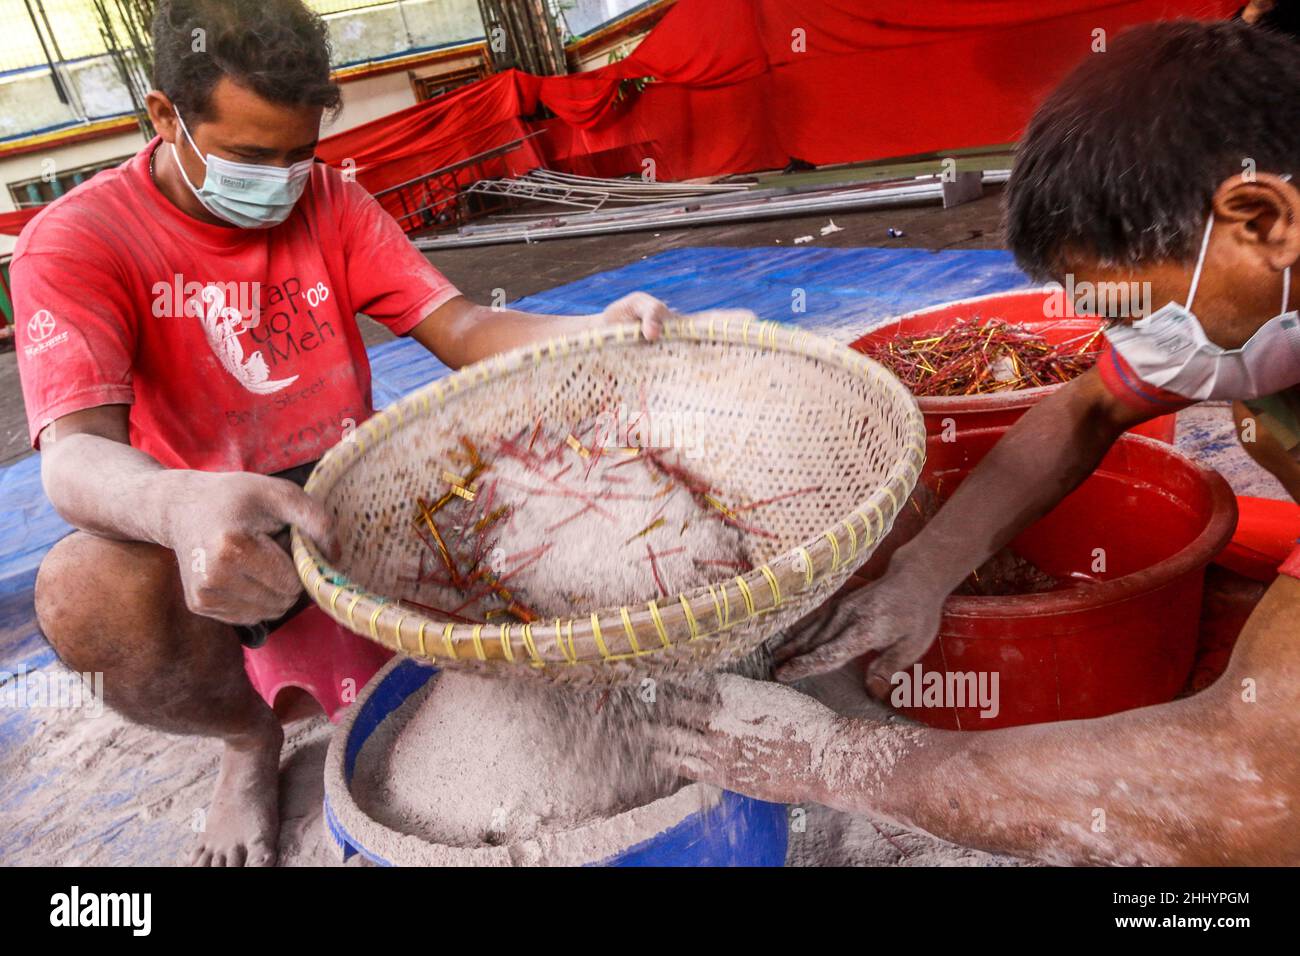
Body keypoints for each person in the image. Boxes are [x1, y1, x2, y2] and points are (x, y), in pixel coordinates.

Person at [15, 0, 679, 867]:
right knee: (82, 593)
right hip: (212, 531)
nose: (283, 182)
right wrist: (177, 503)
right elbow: (73, 455)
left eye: (301, 154)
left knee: (559, 447)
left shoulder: (329, 199)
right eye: (253, 158)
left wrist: (597, 328)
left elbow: (466, 330)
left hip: (353, 497)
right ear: (166, 116)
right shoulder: (78, 240)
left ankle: (471, 675)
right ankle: (248, 742)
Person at [655, 19, 1300, 865]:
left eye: (1134, 311)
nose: (1130, 345)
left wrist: (843, 761)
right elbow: (1083, 411)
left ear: (1258, 217)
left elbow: (1250, 786)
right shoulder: (1261, 294)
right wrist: (924, 570)